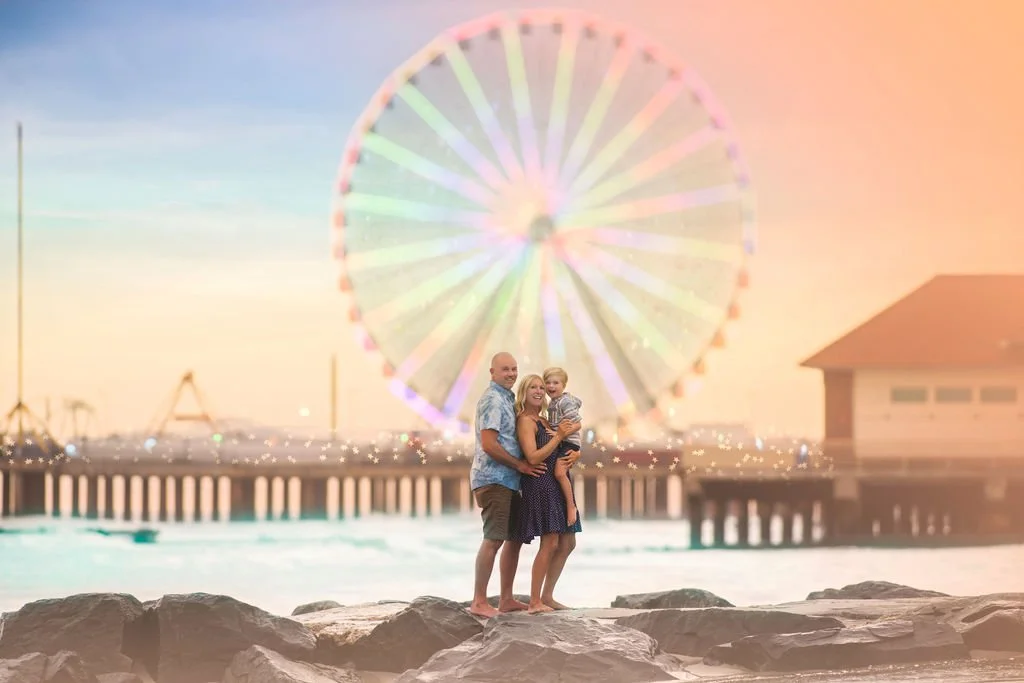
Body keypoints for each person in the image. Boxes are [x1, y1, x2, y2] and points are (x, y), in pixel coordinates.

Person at [467, 352, 546, 618]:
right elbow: (489, 444)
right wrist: (521, 465)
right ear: (492, 373)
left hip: (510, 480)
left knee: (513, 539)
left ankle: (507, 599)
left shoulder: (507, 399)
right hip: (494, 478)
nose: (511, 373)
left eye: (514, 369)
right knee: (494, 538)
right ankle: (479, 601)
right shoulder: (492, 399)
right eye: (505, 369)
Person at [513, 374, 582, 613]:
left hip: (558, 480)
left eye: (542, 387)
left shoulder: (543, 419)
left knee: (568, 542)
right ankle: (535, 601)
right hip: (541, 482)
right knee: (550, 541)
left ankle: (548, 596)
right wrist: (560, 436)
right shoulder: (525, 421)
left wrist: (575, 453)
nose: (539, 391)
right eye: (533, 387)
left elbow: (568, 438)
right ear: (524, 390)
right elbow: (533, 456)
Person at [543, 366, 583, 526]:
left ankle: (571, 505)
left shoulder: (564, 402)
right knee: (559, 472)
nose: (551, 386)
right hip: (562, 441)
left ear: (564, 385)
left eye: (555, 383)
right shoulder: (553, 403)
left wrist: (560, 435)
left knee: (560, 473)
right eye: (548, 383)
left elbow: (578, 424)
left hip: (569, 442)